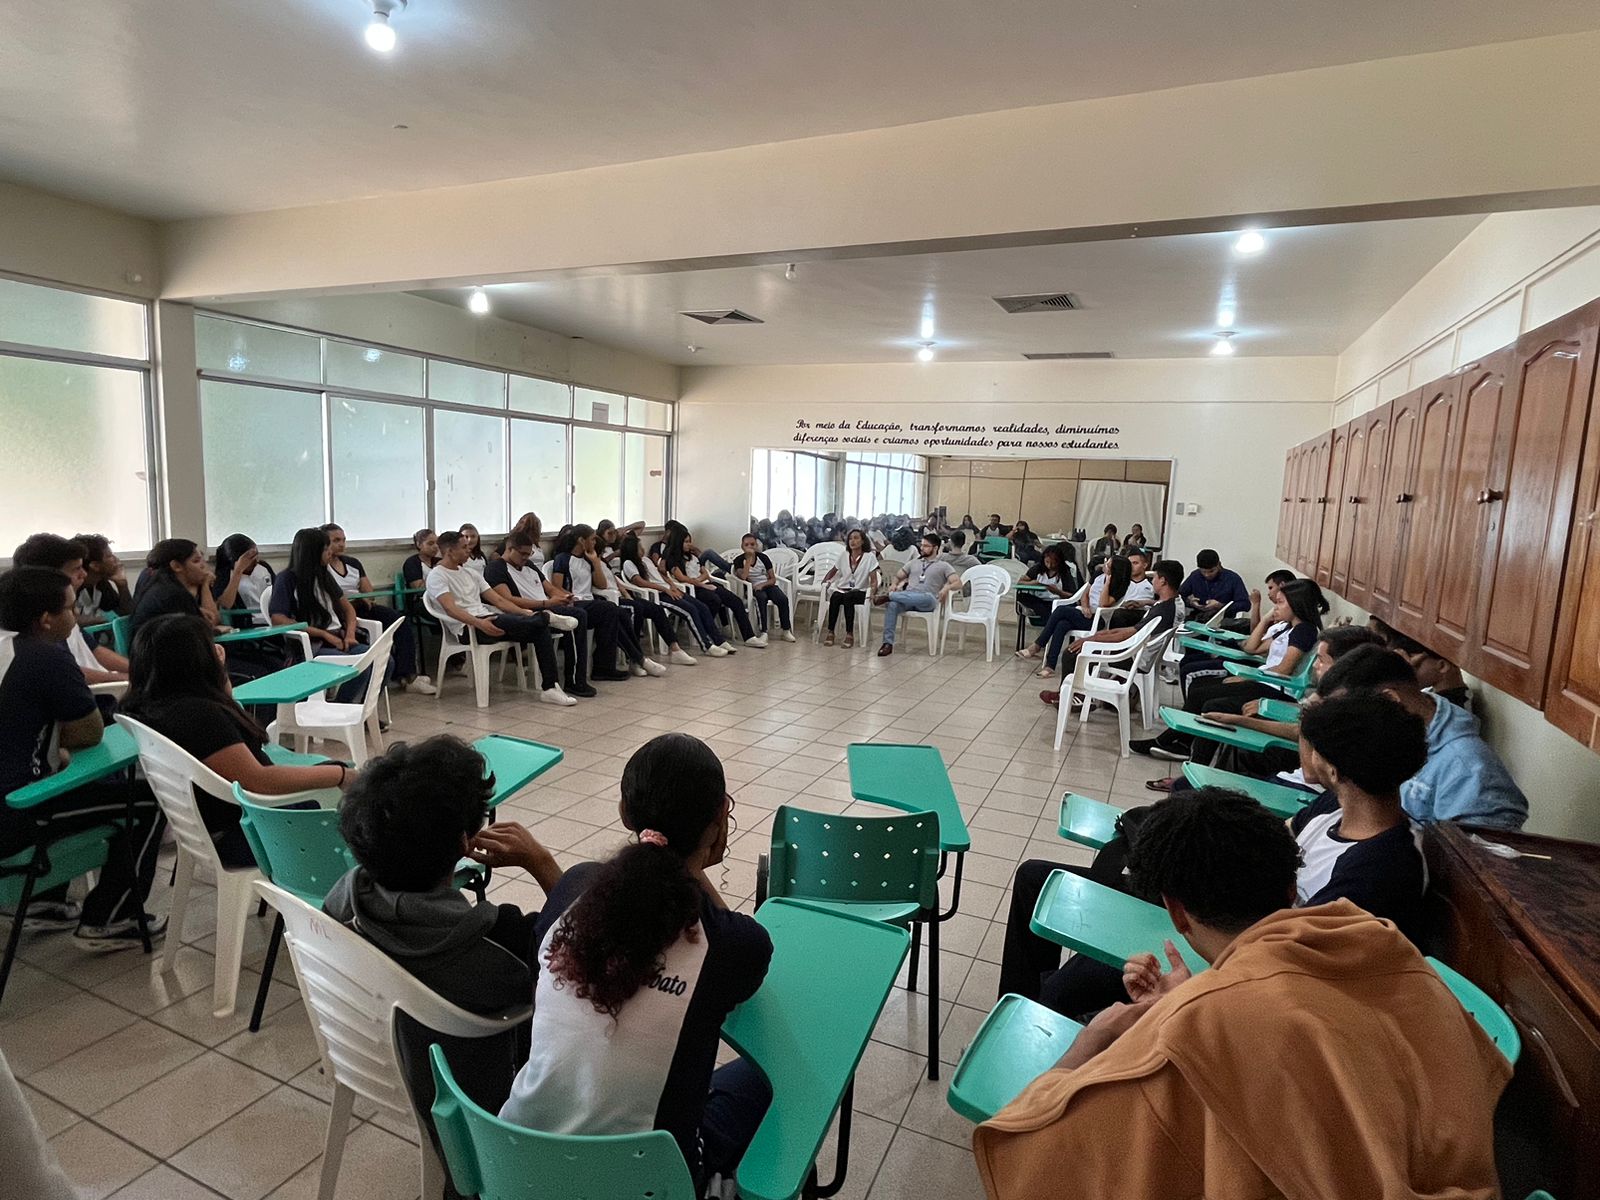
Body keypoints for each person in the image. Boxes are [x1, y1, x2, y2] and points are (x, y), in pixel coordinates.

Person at [975, 790, 1509, 1200]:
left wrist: (1093, 1040)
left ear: (1176, 912)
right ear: (1291, 889)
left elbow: (1025, 1144)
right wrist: (1203, 993)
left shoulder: (1186, 1034)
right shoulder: (1388, 952)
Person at [499, 734, 773, 1191]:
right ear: (717, 824)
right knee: (762, 1079)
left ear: (625, 813)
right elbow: (741, 961)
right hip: (651, 1183)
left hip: (517, 1164)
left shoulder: (575, 887)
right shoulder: (731, 944)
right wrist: (694, 863)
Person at [325, 735, 563, 1199]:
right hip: (477, 1102)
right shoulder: (499, 941)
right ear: (464, 843)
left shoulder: (344, 898)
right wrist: (541, 863)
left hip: (379, 1066)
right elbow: (584, 947)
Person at [0, 567, 164, 946]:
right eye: (70, 609)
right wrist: (54, 743)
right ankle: (112, 918)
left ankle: (41, 901)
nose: (75, 617)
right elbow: (89, 733)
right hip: (14, 813)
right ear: (45, 619)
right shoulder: (46, 658)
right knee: (145, 803)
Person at [121, 613, 348, 867]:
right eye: (210, 647)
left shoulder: (153, 707)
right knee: (360, 796)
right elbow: (260, 781)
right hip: (259, 831)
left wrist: (217, 676)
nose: (218, 651)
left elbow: (225, 705)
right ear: (196, 662)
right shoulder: (200, 716)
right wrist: (341, 775)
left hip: (219, 827)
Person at [1318, 644, 1528, 829]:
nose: (1343, 726)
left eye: (1349, 714)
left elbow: (1477, 858)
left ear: (1390, 700)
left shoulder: (1469, 771)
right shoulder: (1390, 735)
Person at [1130, 577, 1326, 761]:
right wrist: (1266, 619)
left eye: (1281, 603)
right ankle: (1179, 742)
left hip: (1275, 688)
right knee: (1198, 687)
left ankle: (1184, 750)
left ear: (1297, 604)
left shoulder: (1305, 631)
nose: (1276, 606)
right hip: (1265, 680)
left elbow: (1283, 670)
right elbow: (1252, 648)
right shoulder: (1288, 628)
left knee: (1209, 702)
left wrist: (1249, 678)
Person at [428, 531, 579, 704]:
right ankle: (547, 617)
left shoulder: (471, 573)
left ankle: (550, 688)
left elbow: (499, 600)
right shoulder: (437, 576)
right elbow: (450, 609)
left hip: (490, 619)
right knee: (532, 622)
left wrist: (526, 613)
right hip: (468, 628)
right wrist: (479, 623)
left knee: (539, 628)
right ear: (449, 552)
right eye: (464, 547)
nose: (469, 550)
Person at [1039, 559, 1183, 709]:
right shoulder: (1173, 603)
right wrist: (1098, 636)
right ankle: (1068, 693)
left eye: (1155, 577)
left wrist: (1091, 640)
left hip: (1134, 657)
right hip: (1139, 652)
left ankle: (1076, 696)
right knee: (1085, 641)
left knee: (1072, 652)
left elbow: (1126, 636)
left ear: (1163, 581)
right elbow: (1132, 630)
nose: (1152, 581)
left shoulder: (1163, 611)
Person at [268, 527, 387, 704]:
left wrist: (350, 634)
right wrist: (324, 634)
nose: (330, 552)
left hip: (340, 637)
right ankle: (341, 709)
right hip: (313, 644)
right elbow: (278, 619)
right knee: (360, 666)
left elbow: (348, 609)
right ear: (311, 552)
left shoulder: (324, 575)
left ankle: (360, 707)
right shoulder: (287, 579)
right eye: (325, 549)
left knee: (385, 661)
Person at [322, 523, 434, 695]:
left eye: (343, 540)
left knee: (399, 621)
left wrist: (364, 598)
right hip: (339, 611)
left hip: (362, 606)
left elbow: (368, 591)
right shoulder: (322, 567)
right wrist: (351, 600)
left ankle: (406, 675)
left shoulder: (353, 563)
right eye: (336, 540)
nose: (341, 544)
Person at [483, 532, 598, 698]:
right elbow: (507, 599)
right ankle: (574, 680)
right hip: (531, 611)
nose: (526, 557)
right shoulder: (495, 568)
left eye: (528, 553)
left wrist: (563, 597)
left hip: (548, 604)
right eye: (522, 553)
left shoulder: (529, 565)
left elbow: (549, 588)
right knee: (578, 616)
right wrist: (545, 604)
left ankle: (600, 667)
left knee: (597, 610)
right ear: (509, 549)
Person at [551, 525, 670, 677]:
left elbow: (602, 585)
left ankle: (619, 663)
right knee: (609, 609)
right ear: (581, 540)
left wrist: (595, 562)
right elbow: (556, 586)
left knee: (620, 614)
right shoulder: (562, 558)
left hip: (589, 602)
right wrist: (569, 596)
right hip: (574, 602)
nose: (595, 542)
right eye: (592, 539)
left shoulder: (589, 560)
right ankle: (638, 659)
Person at [11, 534, 129, 685]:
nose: (84, 574)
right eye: (76, 569)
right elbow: (66, 671)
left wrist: (140, 672)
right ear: (50, 576)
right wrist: (127, 679)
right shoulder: (44, 624)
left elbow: (95, 650)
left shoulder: (64, 612)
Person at [1016, 554, 1131, 676]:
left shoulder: (1120, 586)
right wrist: (1085, 607)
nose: (1105, 565)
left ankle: (1037, 645)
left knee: (1060, 610)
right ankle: (1050, 666)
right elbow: (1085, 594)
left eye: (1108, 565)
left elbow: (1104, 603)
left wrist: (1107, 583)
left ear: (1114, 570)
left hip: (1098, 619)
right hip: (1085, 613)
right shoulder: (1098, 574)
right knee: (1061, 625)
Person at [617, 533, 728, 658]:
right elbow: (640, 582)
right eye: (639, 547)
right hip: (659, 595)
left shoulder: (646, 560)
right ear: (632, 549)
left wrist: (672, 585)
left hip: (669, 590)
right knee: (690, 610)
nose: (643, 549)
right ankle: (706, 646)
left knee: (701, 607)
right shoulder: (628, 563)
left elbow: (662, 575)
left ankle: (719, 641)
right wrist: (665, 589)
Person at [662, 527, 763, 648]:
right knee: (714, 600)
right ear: (678, 542)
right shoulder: (673, 559)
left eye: (690, 541)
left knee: (736, 601)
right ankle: (712, 634)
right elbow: (682, 578)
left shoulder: (693, 557)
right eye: (686, 542)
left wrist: (700, 579)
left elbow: (705, 573)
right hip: (693, 589)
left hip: (705, 584)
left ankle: (749, 636)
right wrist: (700, 582)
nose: (689, 544)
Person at [872, 532, 961, 657]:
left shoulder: (943, 566)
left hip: (927, 600)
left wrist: (947, 587)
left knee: (927, 597)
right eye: (922, 545)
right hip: (907, 598)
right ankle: (887, 644)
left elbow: (958, 583)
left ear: (935, 548)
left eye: (926, 546)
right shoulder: (913, 563)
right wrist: (894, 584)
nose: (922, 548)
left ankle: (889, 596)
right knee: (892, 605)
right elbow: (898, 576)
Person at [1370, 618, 1472, 708]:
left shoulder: (1456, 707)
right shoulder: (1432, 694)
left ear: (1442, 666)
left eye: (1416, 665)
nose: (1408, 668)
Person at [820, 528, 879, 648]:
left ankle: (849, 634)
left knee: (848, 597)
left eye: (856, 538)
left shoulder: (869, 557)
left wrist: (873, 592)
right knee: (835, 597)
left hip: (859, 591)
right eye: (850, 539)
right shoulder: (844, 555)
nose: (852, 541)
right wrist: (825, 581)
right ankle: (831, 632)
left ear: (863, 541)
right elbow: (833, 570)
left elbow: (874, 580)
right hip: (843, 589)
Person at [733, 533, 795, 640]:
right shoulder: (738, 560)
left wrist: (762, 585)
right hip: (752, 588)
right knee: (761, 598)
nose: (750, 547)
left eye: (752, 544)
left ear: (756, 545)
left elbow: (773, 579)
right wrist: (748, 560)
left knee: (782, 599)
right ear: (742, 546)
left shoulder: (763, 558)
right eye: (746, 545)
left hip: (767, 585)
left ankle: (786, 630)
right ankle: (764, 632)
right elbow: (743, 577)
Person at [211, 534, 275, 627]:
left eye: (256, 555)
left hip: (271, 619)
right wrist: (238, 571)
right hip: (248, 623)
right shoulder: (226, 574)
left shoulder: (264, 568)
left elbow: (276, 590)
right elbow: (225, 604)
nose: (256, 560)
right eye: (251, 558)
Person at [71, 533, 133, 625]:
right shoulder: (70, 585)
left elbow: (126, 616)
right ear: (95, 566)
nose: (116, 559)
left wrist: (122, 585)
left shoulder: (101, 583)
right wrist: (106, 618)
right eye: (109, 556)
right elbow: (66, 621)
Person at [1178, 549, 1249, 623]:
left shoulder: (1233, 578)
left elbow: (1245, 605)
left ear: (1219, 565)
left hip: (1224, 620)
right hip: (1197, 618)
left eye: (1211, 571)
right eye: (1203, 571)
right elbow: (1178, 596)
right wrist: (1190, 602)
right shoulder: (1195, 576)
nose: (1207, 575)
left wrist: (1221, 606)